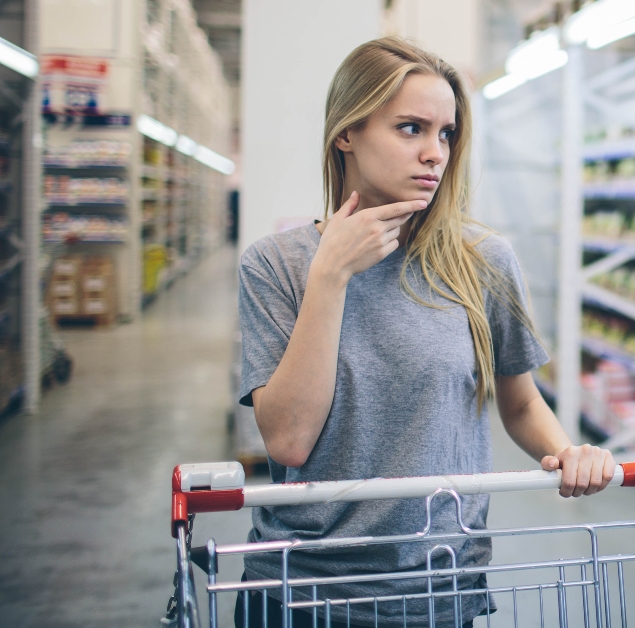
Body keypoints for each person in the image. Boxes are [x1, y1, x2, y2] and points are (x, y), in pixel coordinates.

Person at [235, 37, 614, 628]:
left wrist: (568, 453)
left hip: (437, 584)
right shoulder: (277, 264)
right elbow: (288, 441)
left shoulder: (482, 261)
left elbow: (518, 402)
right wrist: (330, 275)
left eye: (446, 133)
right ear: (346, 133)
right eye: (410, 128)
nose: (434, 153)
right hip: (303, 589)